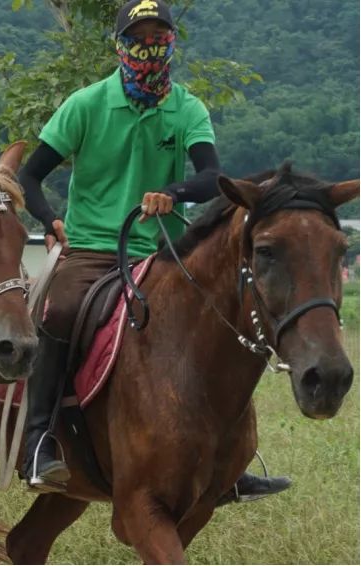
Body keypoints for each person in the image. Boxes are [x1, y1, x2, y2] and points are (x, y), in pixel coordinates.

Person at [18, 0, 291, 500]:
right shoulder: (86, 104)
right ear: (120, 45)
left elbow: (211, 177)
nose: (150, 47)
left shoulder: (186, 107)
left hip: (164, 248)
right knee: (60, 312)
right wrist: (48, 219)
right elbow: (29, 175)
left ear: (172, 43)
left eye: (159, 37)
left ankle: (231, 460)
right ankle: (39, 439)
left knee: (225, 317)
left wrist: (175, 191)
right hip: (95, 249)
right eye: (140, 37)